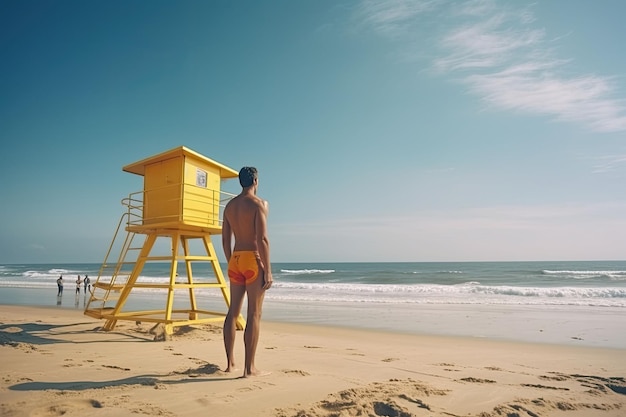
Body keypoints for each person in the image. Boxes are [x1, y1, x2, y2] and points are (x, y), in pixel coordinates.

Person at [222, 166, 273, 378]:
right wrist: (268, 271)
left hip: (235, 259)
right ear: (255, 181)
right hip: (253, 259)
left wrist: (232, 261)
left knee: (233, 312)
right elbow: (262, 239)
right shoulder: (258, 204)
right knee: (254, 314)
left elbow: (225, 240)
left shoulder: (229, 206)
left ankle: (229, 363)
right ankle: (249, 368)